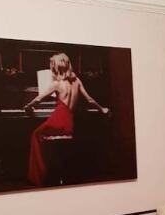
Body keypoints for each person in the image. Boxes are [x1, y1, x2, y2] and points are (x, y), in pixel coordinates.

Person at [24, 53, 109, 186]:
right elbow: (90, 100)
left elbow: (38, 99)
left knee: (36, 135)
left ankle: (42, 176)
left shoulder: (56, 84)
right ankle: (55, 172)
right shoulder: (77, 81)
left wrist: (28, 106)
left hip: (57, 120)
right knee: (45, 138)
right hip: (69, 123)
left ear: (55, 67)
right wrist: (102, 109)